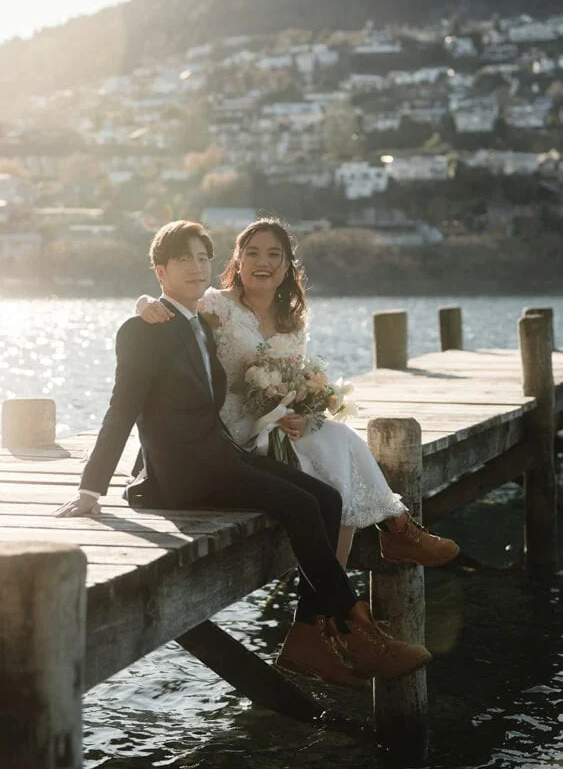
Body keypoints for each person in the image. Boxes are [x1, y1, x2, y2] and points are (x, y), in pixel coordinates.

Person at [54, 220, 432, 687]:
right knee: (298, 505)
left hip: (220, 456)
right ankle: (360, 629)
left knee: (328, 501)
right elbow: (122, 408)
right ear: (160, 271)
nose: (195, 268)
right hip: (184, 476)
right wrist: (92, 488)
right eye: (183, 260)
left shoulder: (200, 324)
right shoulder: (144, 330)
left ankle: (308, 641)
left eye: (202, 258)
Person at [136, 218, 459, 572]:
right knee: (338, 447)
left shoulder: (293, 320)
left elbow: (295, 385)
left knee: (336, 447)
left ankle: (337, 597)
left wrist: (304, 413)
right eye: (253, 253)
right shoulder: (217, 306)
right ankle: (392, 535)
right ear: (238, 262)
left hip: (276, 426)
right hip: (228, 432)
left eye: (275, 254)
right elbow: (175, 310)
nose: (263, 262)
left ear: (287, 266)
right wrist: (144, 303)